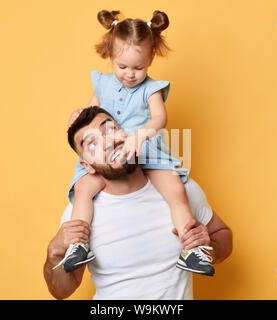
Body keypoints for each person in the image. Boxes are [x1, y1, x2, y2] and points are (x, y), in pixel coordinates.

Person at [60, 9, 210, 275]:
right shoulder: (103, 83)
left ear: (151, 58)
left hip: (144, 149)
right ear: (110, 56)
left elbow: (159, 119)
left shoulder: (151, 88)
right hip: (111, 155)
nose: (130, 74)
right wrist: (77, 116)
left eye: (138, 68)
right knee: (84, 188)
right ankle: (78, 244)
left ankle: (191, 249)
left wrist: (141, 135)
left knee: (176, 192)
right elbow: (89, 114)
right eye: (122, 67)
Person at [43, 107, 233, 299]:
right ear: (87, 166)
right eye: (92, 144)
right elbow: (61, 291)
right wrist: (55, 251)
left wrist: (209, 248)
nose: (109, 142)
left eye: (110, 129)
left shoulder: (181, 191)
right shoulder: (79, 215)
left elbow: (222, 235)